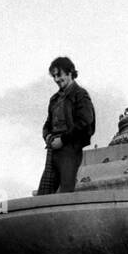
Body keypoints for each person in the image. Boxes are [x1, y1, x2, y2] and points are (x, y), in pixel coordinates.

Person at [36, 57, 95, 195]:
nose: (56, 79)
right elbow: (47, 123)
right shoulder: (54, 99)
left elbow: (85, 121)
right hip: (53, 149)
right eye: (54, 76)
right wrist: (48, 136)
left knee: (66, 191)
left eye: (59, 75)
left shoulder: (80, 94)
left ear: (70, 73)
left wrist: (63, 140)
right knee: (44, 193)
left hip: (70, 148)